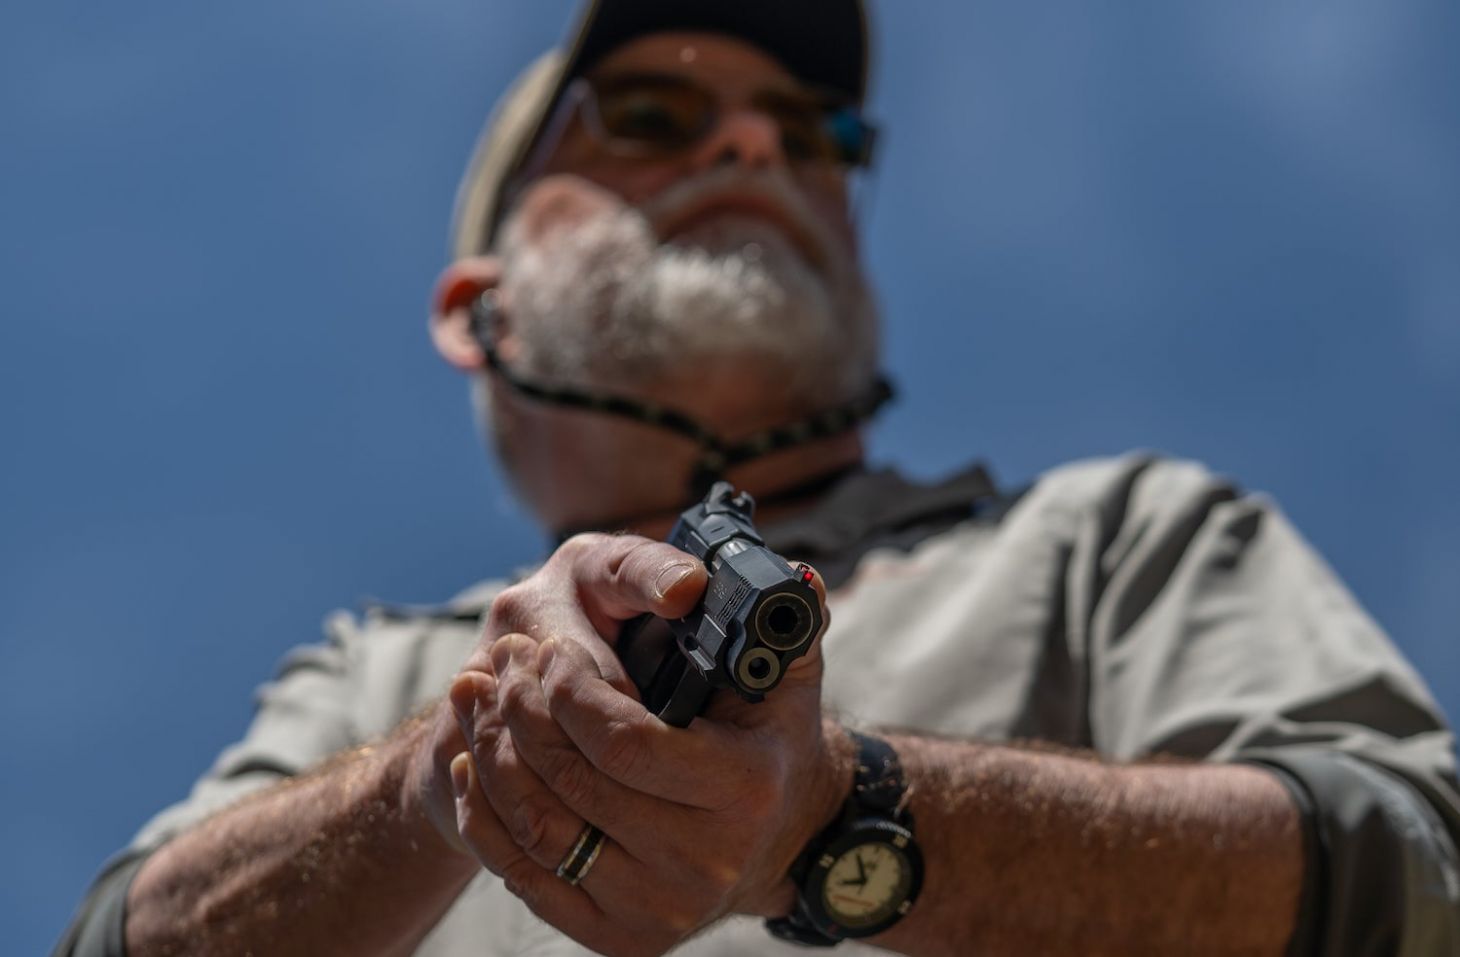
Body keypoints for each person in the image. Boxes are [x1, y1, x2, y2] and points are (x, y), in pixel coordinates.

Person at [56, 1, 1460, 955]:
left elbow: (1418, 883)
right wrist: (454, 762)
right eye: (654, 115)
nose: (752, 144)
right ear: (476, 308)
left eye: (814, 135)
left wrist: (844, 819)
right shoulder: (371, 683)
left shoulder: (1115, 541)